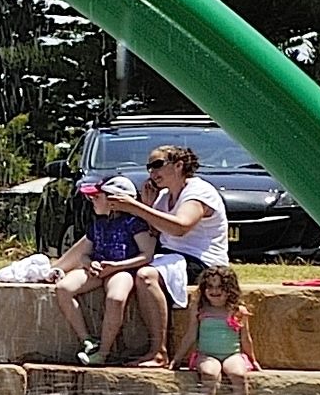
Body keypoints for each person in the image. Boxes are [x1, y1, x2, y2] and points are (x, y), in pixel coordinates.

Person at [98, 142, 230, 369]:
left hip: (202, 262)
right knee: (130, 267)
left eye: (157, 165)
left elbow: (181, 227)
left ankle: (159, 351)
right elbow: (156, 232)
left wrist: (137, 208)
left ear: (179, 165)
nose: (152, 172)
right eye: (149, 167)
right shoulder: (164, 197)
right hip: (170, 256)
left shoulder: (198, 192)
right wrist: (148, 206)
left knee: (146, 275)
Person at [56, 169, 145, 363]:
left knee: (115, 298)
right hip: (97, 269)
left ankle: (103, 352)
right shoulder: (97, 223)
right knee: (63, 288)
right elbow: (86, 253)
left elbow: (146, 255)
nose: (92, 201)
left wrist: (116, 266)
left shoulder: (135, 223)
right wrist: (89, 263)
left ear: (114, 201)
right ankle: (87, 340)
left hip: (122, 270)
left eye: (97, 197)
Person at [180, 259, 258, 395]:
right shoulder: (200, 309)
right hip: (206, 355)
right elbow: (191, 335)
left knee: (238, 374)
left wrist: (252, 359)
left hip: (232, 354)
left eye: (219, 288)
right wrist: (177, 359)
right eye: (210, 287)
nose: (214, 292)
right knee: (209, 372)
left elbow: (246, 338)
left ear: (229, 290)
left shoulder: (238, 311)